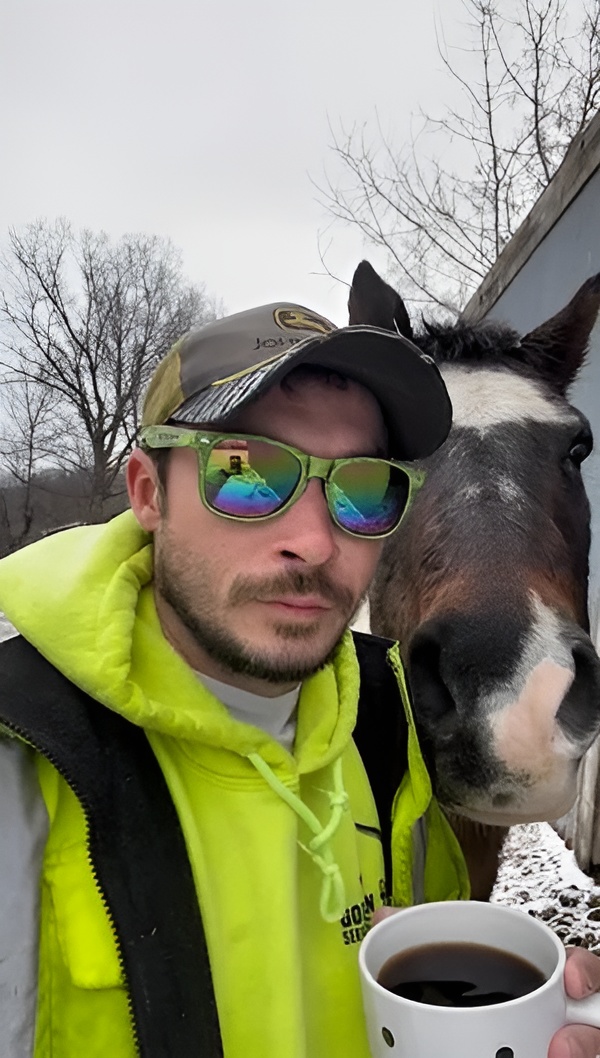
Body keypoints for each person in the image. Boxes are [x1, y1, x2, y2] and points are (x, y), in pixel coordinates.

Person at [0, 302, 598, 1058]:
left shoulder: (396, 741)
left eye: (363, 486)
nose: (315, 541)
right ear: (148, 492)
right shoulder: (21, 762)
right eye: (246, 474)